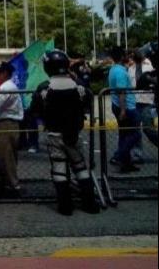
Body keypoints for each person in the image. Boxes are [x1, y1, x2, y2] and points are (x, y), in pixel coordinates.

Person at [32, 50, 101, 215]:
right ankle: (90, 204)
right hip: (74, 133)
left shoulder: (44, 88)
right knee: (80, 167)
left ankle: (65, 206)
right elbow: (87, 103)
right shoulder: (79, 87)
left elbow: (35, 109)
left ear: (48, 67)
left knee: (59, 168)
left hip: (54, 133)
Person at [0, 62, 23, 197]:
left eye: (0, 72)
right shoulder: (7, 85)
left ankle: (12, 186)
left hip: (7, 123)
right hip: (5, 123)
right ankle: (5, 183)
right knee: (2, 155)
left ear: (5, 73)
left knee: (6, 156)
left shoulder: (6, 87)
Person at [108, 46, 140, 173]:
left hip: (118, 105)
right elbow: (122, 92)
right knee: (135, 134)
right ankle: (118, 156)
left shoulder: (114, 69)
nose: (127, 56)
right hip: (127, 107)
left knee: (124, 134)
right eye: (125, 54)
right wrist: (123, 110)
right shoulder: (120, 72)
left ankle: (126, 164)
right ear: (121, 57)